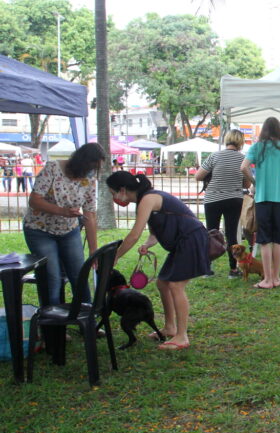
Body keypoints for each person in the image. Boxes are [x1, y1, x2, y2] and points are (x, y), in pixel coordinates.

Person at [108, 171, 210, 350]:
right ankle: (170, 328)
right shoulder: (145, 200)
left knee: (175, 285)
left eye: (113, 193)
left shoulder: (148, 199)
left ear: (122, 189)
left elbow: (133, 235)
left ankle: (182, 336)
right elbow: (155, 232)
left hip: (191, 238)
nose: (114, 197)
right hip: (183, 242)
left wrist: (115, 256)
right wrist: (147, 244)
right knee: (163, 283)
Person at [23, 143, 105, 305]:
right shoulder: (52, 169)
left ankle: (85, 322)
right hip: (39, 230)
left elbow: (90, 214)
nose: (90, 171)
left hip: (69, 231)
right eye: (90, 166)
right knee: (52, 278)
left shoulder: (89, 179)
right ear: (80, 161)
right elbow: (34, 200)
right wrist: (63, 211)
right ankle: (52, 327)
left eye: (95, 168)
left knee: (79, 274)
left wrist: (93, 249)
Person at [241, 116, 280, 289]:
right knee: (278, 240)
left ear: (264, 130)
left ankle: (266, 280)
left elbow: (243, 167)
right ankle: (276, 278)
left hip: (262, 199)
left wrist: (257, 182)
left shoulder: (257, 148)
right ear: (279, 130)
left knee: (264, 239)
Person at [197, 129, 251, 279]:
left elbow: (198, 176)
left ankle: (207, 268)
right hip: (234, 199)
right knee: (232, 234)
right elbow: (247, 183)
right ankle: (233, 270)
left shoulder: (214, 156)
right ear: (241, 142)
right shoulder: (243, 159)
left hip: (213, 198)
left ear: (226, 140)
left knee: (211, 233)